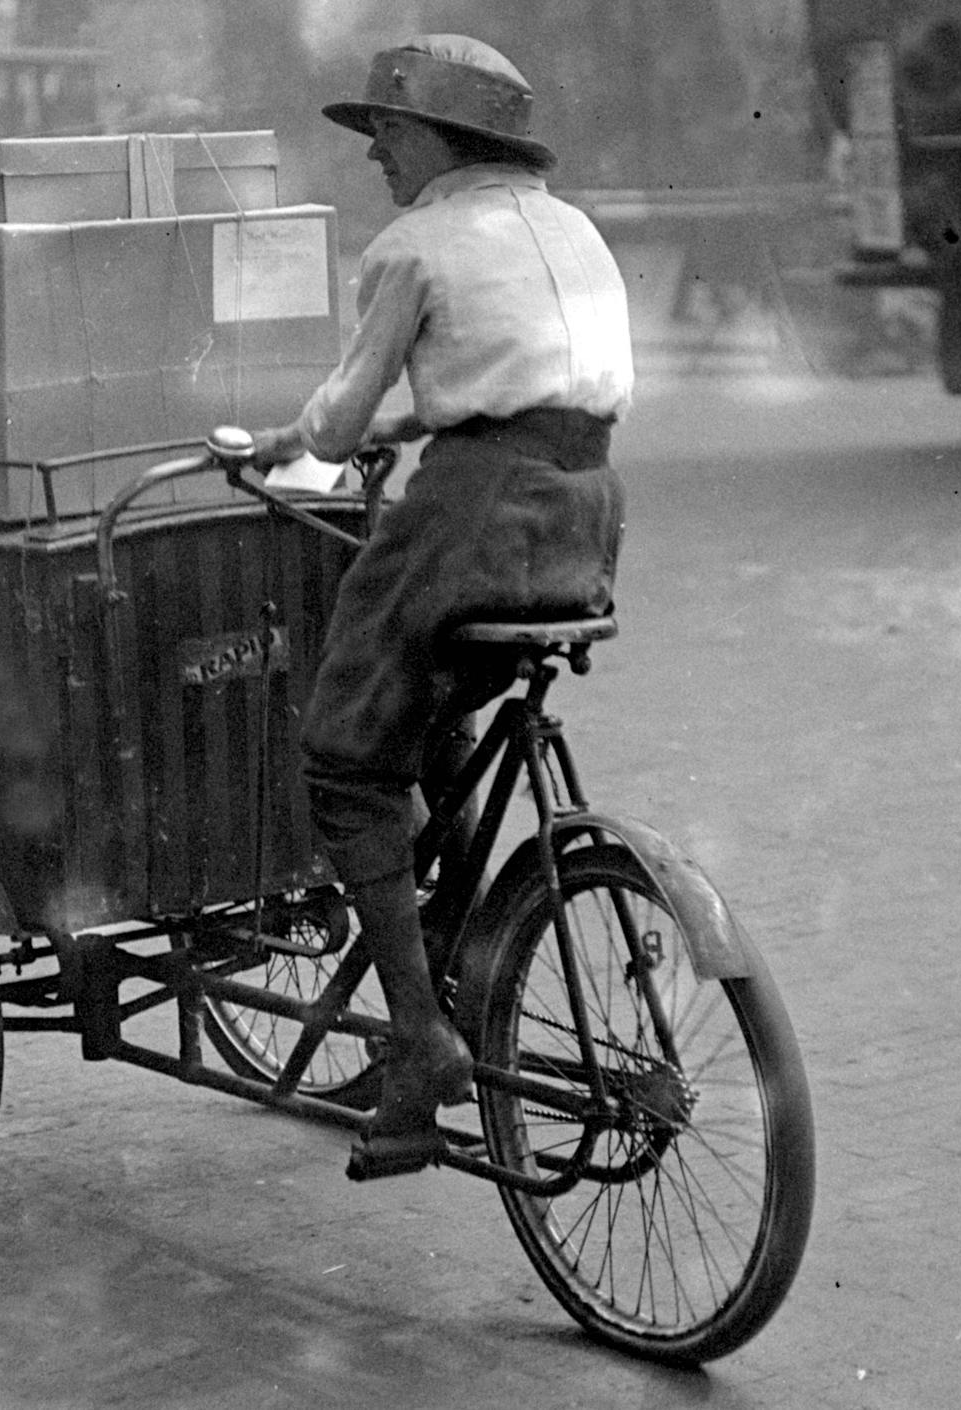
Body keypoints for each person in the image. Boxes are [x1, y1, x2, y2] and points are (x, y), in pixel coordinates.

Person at [249, 35, 634, 1174]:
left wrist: (297, 439)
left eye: (383, 133)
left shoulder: (410, 246)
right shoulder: (572, 230)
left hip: (470, 522)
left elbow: (338, 419)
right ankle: (455, 972)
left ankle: (420, 1036)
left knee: (342, 755)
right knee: (431, 708)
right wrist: (351, 426)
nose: (372, 153)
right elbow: (516, 384)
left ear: (430, 138)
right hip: (582, 514)